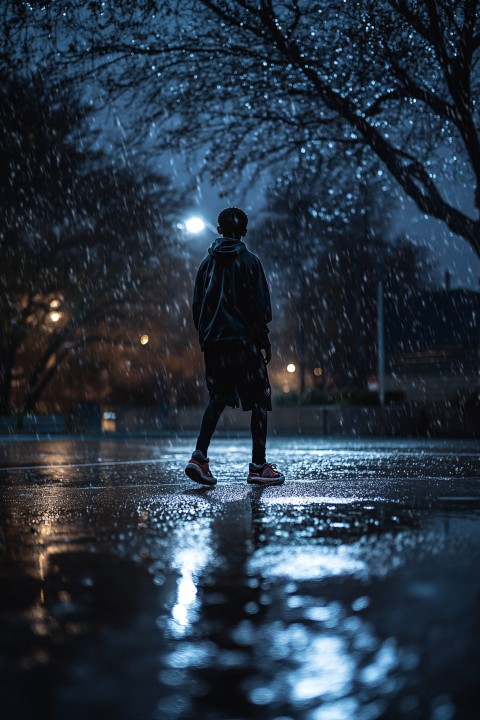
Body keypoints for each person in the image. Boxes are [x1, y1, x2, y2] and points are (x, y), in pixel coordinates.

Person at [185, 207, 285, 487]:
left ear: (218, 230)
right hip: (243, 342)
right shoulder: (251, 262)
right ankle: (257, 465)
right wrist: (262, 341)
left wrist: (207, 336)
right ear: (244, 231)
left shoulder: (206, 264)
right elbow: (260, 308)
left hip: (215, 344)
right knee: (259, 401)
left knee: (217, 398)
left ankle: (199, 456)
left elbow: (197, 306)